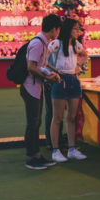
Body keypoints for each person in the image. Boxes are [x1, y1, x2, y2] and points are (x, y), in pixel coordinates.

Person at [22, 13, 61, 170]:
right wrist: (49, 78)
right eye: (58, 30)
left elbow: (39, 65)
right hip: (30, 87)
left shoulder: (44, 43)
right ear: (54, 29)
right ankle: (31, 157)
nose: (58, 33)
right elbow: (31, 67)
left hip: (36, 87)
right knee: (33, 122)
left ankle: (36, 155)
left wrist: (49, 73)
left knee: (36, 122)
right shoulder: (38, 44)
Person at [47, 18, 88, 162]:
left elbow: (85, 54)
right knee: (57, 117)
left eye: (79, 29)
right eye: (76, 29)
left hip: (73, 80)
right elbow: (44, 57)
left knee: (72, 117)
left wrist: (79, 65)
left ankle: (71, 149)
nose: (78, 32)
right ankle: (55, 150)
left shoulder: (77, 44)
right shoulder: (56, 44)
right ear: (69, 29)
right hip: (60, 80)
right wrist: (53, 71)